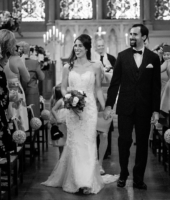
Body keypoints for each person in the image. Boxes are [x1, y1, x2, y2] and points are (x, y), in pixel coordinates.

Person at [42, 34, 118, 194]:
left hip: (89, 109)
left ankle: (87, 180)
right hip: (72, 111)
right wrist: (69, 98)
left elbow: (97, 89)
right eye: (75, 45)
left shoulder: (96, 66)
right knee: (75, 143)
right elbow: (63, 87)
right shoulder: (67, 67)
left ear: (87, 48)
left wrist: (106, 108)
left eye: (80, 46)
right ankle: (76, 180)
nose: (76, 48)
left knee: (89, 143)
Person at [104, 24, 161, 189]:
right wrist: (109, 105)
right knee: (124, 141)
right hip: (125, 107)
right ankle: (123, 174)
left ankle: (138, 178)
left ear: (144, 37)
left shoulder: (153, 58)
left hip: (145, 107)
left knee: (142, 143)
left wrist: (155, 110)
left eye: (135, 34)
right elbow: (115, 84)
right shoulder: (122, 56)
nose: (132, 37)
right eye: (130, 34)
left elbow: (156, 86)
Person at [0, 29, 30, 131]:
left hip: (1, 91)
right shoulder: (16, 59)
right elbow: (27, 78)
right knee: (18, 125)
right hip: (15, 92)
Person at [94, 38, 115, 163]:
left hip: (108, 93)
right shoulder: (92, 59)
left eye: (102, 45)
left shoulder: (111, 58)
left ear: (104, 46)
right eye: (98, 46)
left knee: (107, 125)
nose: (100, 47)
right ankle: (95, 152)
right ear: (96, 47)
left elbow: (117, 74)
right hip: (95, 93)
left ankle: (107, 152)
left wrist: (109, 70)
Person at [20, 41, 45, 118]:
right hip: (32, 92)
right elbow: (41, 77)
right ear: (29, 51)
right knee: (33, 116)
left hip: (19, 91)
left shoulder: (13, 61)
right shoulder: (34, 63)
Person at [50, 84, 67, 157]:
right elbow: (53, 110)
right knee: (62, 139)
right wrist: (58, 119)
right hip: (61, 121)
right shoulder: (60, 101)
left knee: (65, 138)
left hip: (65, 121)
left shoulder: (64, 100)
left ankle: (63, 155)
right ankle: (61, 156)